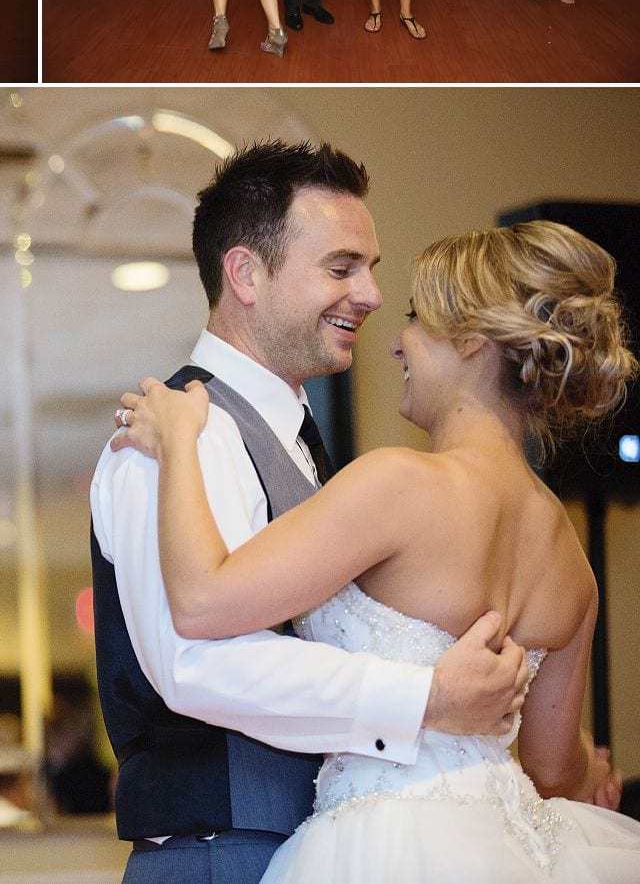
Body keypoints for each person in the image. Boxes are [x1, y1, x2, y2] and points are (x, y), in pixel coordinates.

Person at [111, 206, 640, 884]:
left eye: (418, 319)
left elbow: (201, 602)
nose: (397, 342)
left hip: (382, 846)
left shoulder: (398, 484)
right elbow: (551, 768)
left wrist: (178, 441)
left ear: (474, 341)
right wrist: (591, 767)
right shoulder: (574, 566)